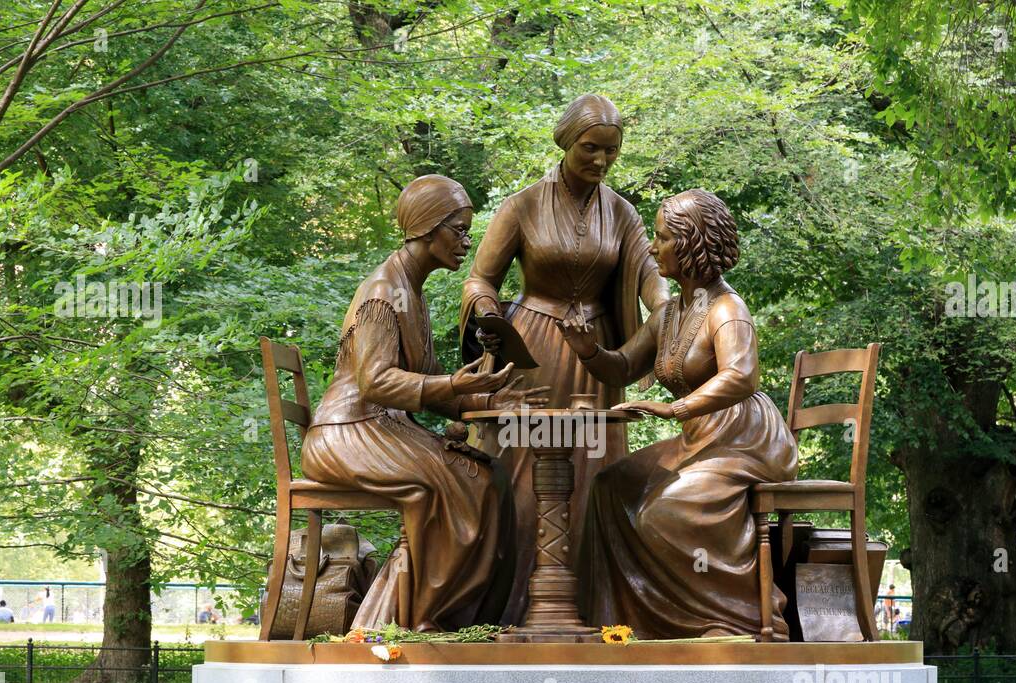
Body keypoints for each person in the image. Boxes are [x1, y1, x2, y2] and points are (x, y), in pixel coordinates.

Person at [301, 175, 547, 632]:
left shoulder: (410, 291)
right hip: (348, 432)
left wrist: (494, 396)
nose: (465, 242)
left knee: (489, 476)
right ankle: (413, 619)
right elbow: (375, 382)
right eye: (458, 229)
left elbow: (433, 384)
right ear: (426, 228)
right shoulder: (382, 292)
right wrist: (454, 383)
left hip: (384, 428)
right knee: (458, 483)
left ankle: (455, 617)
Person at [459, 94, 669, 623]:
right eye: (590, 148)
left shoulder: (621, 213)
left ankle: (590, 609)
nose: (600, 160)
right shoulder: (523, 204)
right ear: (567, 142)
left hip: (594, 355)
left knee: (593, 468)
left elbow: (650, 276)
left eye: (611, 152)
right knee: (522, 469)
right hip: (529, 349)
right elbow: (481, 277)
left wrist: (670, 310)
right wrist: (487, 312)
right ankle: (511, 607)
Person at [557, 189, 799, 639]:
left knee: (662, 513)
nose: (653, 247)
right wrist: (588, 350)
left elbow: (742, 376)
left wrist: (673, 408)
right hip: (697, 437)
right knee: (610, 487)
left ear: (690, 247)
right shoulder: (670, 313)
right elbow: (626, 365)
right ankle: (628, 625)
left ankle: (732, 618)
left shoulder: (728, 310)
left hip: (743, 438)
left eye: (663, 238)